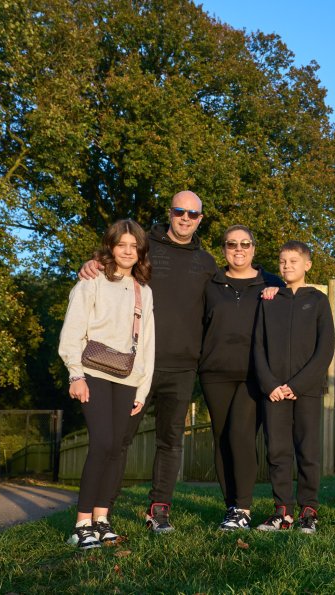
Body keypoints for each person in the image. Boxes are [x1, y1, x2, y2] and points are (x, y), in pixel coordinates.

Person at [80, 190, 216, 533]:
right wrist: (91, 263)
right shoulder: (146, 247)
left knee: (170, 441)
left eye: (193, 214)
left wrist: (273, 285)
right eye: (179, 211)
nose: (185, 218)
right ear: (170, 213)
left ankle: (158, 511)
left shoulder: (207, 262)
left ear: (201, 219)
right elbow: (113, 262)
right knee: (117, 439)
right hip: (135, 366)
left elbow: (234, 289)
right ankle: (102, 514)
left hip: (183, 366)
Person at [59, 220, 155, 550]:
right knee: (101, 443)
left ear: (140, 251)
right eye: (122, 245)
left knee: (116, 448)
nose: (128, 251)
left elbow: (147, 345)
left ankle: (102, 519)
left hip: (128, 378)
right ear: (111, 246)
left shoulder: (144, 291)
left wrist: (142, 390)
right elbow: (72, 331)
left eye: (134, 246)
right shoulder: (91, 282)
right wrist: (76, 375)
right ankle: (82, 524)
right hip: (93, 373)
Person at [199, 225, 284, 530]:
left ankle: (244, 508)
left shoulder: (271, 282)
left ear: (253, 248)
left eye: (244, 244)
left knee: (242, 435)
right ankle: (231, 506)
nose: (238, 249)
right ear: (223, 249)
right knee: (222, 439)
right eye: (232, 244)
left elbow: (298, 308)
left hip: (254, 374)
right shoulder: (210, 284)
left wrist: (280, 293)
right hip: (214, 372)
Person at [252, 241, 335, 534]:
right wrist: (271, 384)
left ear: (307, 265)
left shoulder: (318, 300)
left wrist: (298, 385)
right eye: (282, 261)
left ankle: (308, 511)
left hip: (307, 390)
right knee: (277, 451)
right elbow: (258, 347)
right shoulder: (269, 301)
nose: (287, 266)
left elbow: (325, 348)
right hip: (274, 392)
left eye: (293, 261)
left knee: (307, 451)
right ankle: (282, 511)